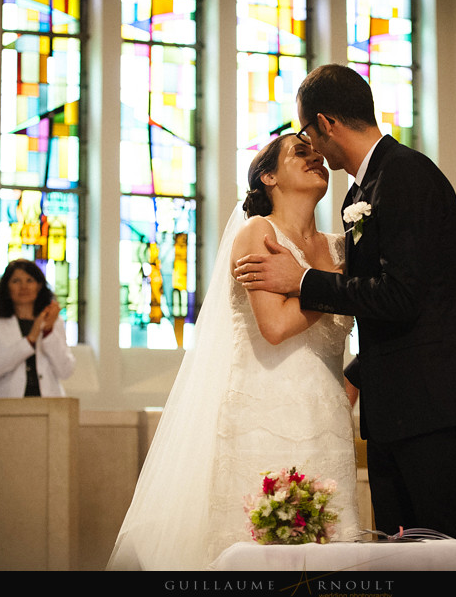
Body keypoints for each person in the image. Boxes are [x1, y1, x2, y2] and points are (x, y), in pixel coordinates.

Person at [234, 64, 456, 539]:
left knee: (448, 558)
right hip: (397, 411)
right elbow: (389, 304)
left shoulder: (406, 175)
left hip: (433, 412)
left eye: (308, 134)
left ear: (326, 124)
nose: (311, 148)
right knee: (402, 555)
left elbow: (401, 295)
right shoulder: (363, 190)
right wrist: (358, 374)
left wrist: (303, 279)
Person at [108, 134, 360, 571]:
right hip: (265, 413)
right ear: (268, 177)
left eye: (318, 153)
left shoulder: (340, 247)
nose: (316, 158)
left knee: (330, 551)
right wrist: (337, 286)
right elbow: (277, 326)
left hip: (329, 420)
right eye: (301, 153)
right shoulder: (259, 233)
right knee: (260, 548)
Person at [0, 259, 75, 398]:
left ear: (39, 286)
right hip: (5, 403)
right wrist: (30, 340)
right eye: (16, 281)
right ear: (7, 287)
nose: (23, 286)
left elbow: (66, 371)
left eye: (29, 280)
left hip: (48, 403)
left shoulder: (54, 322)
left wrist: (48, 332)